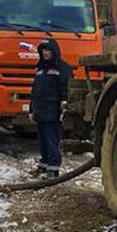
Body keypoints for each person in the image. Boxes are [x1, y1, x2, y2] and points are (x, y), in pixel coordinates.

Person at [29, 39, 71, 175]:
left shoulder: (61, 69)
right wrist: (31, 109)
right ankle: (44, 165)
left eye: (48, 50)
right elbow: (34, 91)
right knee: (42, 141)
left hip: (53, 112)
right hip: (40, 111)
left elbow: (65, 89)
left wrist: (64, 106)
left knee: (52, 140)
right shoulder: (40, 69)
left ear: (54, 51)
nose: (45, 53)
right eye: (43, 50)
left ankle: (53, 168)